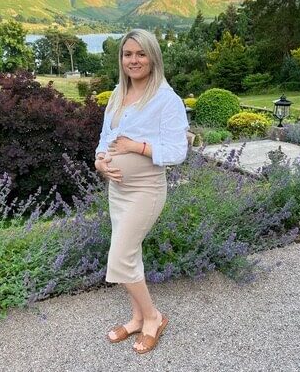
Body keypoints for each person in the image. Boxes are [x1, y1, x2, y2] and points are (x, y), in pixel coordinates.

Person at [94, 28, 189, 355]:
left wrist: (137, 146)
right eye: (127, 54)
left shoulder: (167, 100)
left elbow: (177, 151)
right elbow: (104, 139)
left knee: (120, 255)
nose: (133, 60)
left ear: (153, 58)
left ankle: (153, 317)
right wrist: (100, 163)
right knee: (130, 255)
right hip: (118, 191)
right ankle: (137, 317)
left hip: (146, 190)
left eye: (140, 54)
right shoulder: (116, 96)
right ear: (121, 59)